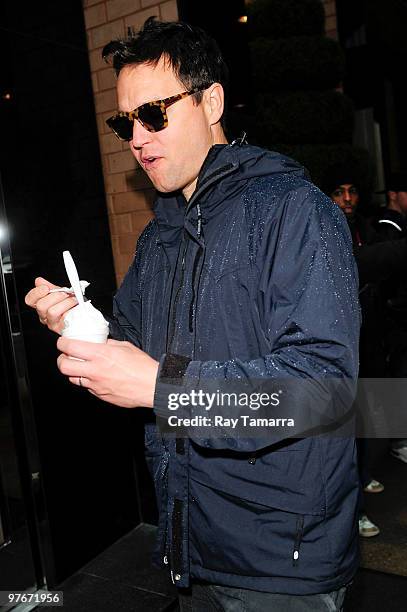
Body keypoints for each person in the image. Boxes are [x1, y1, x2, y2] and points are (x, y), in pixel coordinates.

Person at [25, 18, 360, 611]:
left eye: (153, 114)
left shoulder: (292, 211)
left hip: (281, 561)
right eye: (123, 122)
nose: (136, 136)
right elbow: (131, 341)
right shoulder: (163, 235)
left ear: (211, 102)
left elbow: (322, 392)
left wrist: (162, 389)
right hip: (191, 544)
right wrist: (79, 320)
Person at [322, 168, 385, 538]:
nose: (347, 199)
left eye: (353, 191)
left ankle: (363, 477)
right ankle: (354, 513)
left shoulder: (365, 226)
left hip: (367, 342)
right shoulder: (323, 230)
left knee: (368, 422)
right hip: (335, 352)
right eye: (338, 191)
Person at [374, 173, 407, 463]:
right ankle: (398, 441)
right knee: (396, 378)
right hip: (392, 322)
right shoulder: (388, 227)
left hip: (395, 319)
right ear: (395, 194)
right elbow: (383, 276)